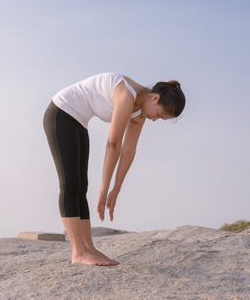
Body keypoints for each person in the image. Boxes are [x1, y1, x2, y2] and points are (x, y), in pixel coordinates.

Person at [43, 73, 185, 266]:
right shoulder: (127, 95)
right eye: (159, 115)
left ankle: (88, 248)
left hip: (78, 122)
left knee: (81, 187)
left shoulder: (140, 113)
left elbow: (128, 151)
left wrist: (116, 187)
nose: (154, 120)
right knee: (70, 184)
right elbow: (113, 144)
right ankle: (78, 252)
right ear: (155, 98)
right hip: (61, 112)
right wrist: (104, 187)